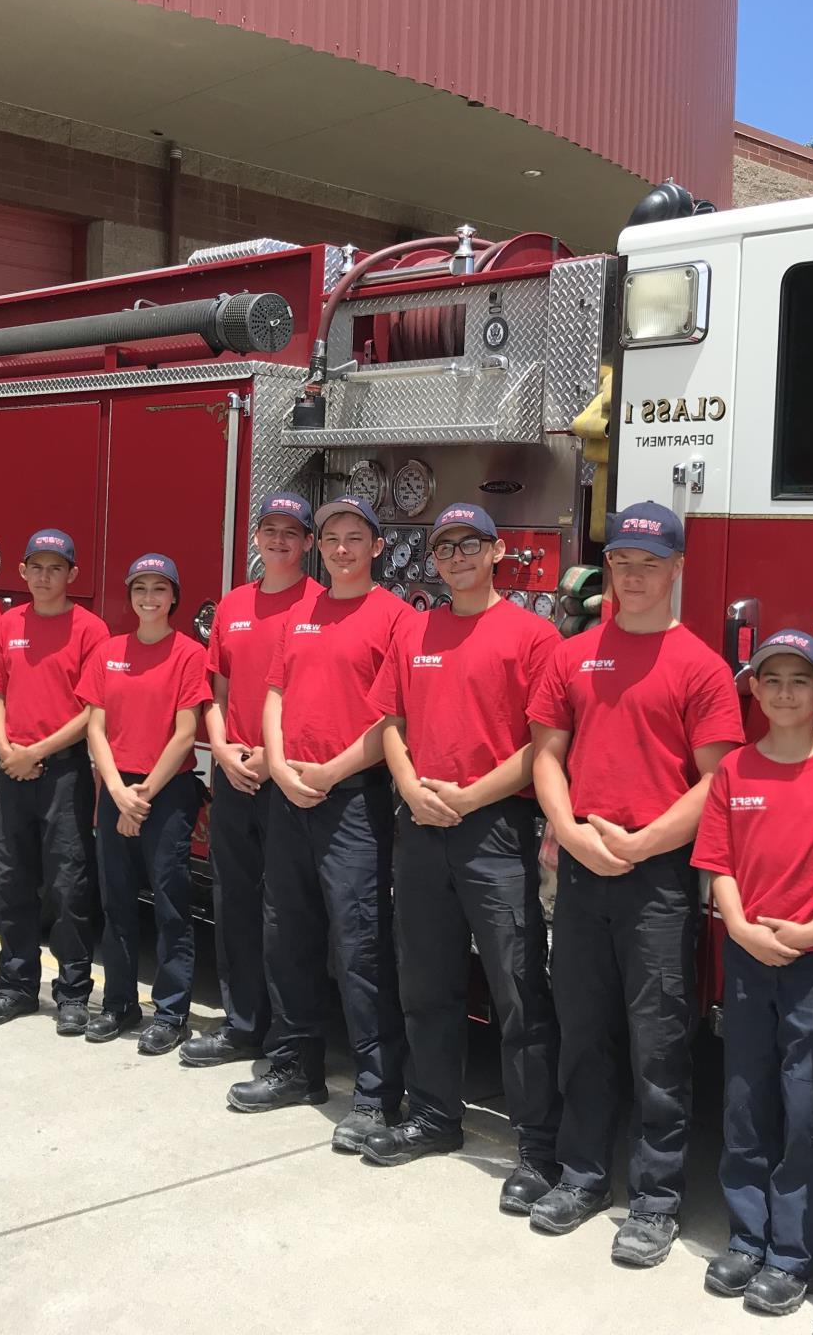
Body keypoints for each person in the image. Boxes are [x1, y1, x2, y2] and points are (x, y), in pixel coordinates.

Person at [526, 499, 743, 1269]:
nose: (636, 575)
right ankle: (582, 1175)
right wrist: (575, 831)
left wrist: (644, 841)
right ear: (607, 566)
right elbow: (546, 754)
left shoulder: (701, 668)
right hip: (584, 870)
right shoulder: (573, 654)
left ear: (677, 568)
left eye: (652, 563)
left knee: (658, 1043)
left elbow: (718, 781)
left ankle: (655, 1199)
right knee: (582, 1031)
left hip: (655, 881)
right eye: (623, 561)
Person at [361, 501, 565, 1216]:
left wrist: (469, 796)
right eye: (444, 547)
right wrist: (412, 786)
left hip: (494, 832)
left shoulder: (533, 635)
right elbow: (389, 722)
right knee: (426, 981)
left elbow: (545, 743)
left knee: (517, 992)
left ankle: (538, 1149)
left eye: (469, 544)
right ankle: (435, 1116)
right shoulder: (414, 628)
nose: (456, 557)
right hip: (420, 825)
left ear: (496, 550)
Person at [227, 493, 411, 1156]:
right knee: (287, 936)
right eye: (331, 537)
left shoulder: (395, 619)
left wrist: (329, 773)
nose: (341, 548)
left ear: (377, 547)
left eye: (354, 537)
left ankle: (375, 1091)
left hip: (352, 800)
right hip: (288, 796)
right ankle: (296, 1066)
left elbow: (394, 719)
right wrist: (279, 764)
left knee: (360, 947)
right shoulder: (300, 610)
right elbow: (273, 692)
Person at [692, 629, 813, 1316]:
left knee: (807, 1105)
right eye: (770, 680)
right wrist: (743, 929)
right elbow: (718, 863)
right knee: (745, 1098)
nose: (784, 693)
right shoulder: (735, 771)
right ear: (753, 690)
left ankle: (793, 1254)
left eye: (798, 681)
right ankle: (747, 1236)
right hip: (749, 957)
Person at [181, 492, 320, 1069]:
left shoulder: (319, 605)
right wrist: (220, 749)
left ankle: (289, 1036)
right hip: (234, 775)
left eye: (293, 532)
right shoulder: (234, 605)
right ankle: (241, 1027)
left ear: (309, 543)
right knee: (232, 903)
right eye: (270, 530)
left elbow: (314, 701)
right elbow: (214, 691)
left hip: (286, 780)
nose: (280, 541)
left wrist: (270, 757)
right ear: (256, 537)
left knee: (288, 913)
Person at [0, 528, 108, 1033]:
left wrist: (38, 751)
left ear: (73, 575)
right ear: (23, 571)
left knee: (69, 885)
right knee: (10, 880)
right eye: (37, 566)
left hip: (64, 771)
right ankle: (16, 987)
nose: (45, 576)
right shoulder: (7, 625)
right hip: (12, 768)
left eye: (56, 567)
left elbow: (95, 708)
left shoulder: (90, 629)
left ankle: (72, 993)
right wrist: (8, 749)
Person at [79, 554, 211, 1052]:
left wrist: (143, 795)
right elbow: (95, 725)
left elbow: (185, 735)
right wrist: (116, 790)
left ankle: (171, 1012)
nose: (149, 599)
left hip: (166, 792)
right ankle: (118, 1003)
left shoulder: (188, 655)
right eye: (140, 589)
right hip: (116, 788)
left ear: (174, 597)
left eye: (159, 589)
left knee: (172, 905)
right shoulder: (109, 652)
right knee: (115, 903)